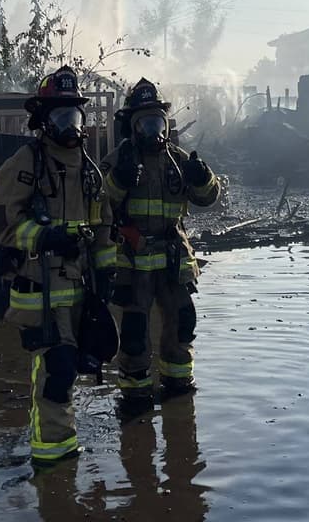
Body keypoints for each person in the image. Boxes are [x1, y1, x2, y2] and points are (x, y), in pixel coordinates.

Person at [0, 66, 118, 465]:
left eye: (74, 116)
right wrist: (43, 236)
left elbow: (103, 223)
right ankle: (51, 461)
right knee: (56, 371)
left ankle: (63, 448)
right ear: (43, 120)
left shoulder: (89, 169)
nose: (69, 125)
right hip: (39, 286)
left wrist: (107, 271)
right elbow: (1, 220)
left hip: (80, 287)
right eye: (60, 116)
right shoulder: (26, 162)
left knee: (77, 365)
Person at [101, 79, 219, 399]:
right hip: (133, 259)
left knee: (182, 322)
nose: (153, 129)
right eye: (145, 122)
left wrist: (203, 177)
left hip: (173, 258)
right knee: (136, 331)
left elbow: (208, 198)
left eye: (158, 122)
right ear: (133, 125)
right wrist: (119, 180)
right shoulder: (118, 160)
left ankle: (179, 388)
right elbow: (99, 205)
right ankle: (135, 395)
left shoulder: (178, 160)